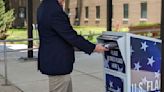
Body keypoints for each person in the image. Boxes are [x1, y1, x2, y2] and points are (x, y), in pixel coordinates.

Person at [37, 0, 108, 92]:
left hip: (55, 62)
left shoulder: (44, 6)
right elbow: (71, 36)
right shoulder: (54, 11)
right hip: (58, 64)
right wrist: (93, 47)